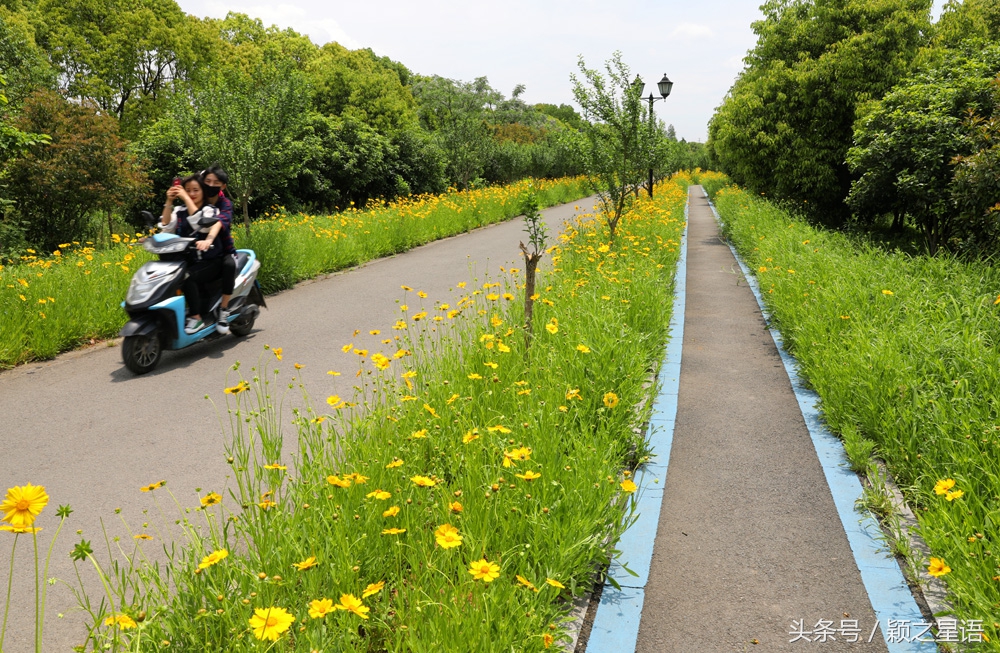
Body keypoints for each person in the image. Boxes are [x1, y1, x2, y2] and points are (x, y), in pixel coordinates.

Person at [160, 175, 227, 334]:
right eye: (187, 190)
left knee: (186, 277)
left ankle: (196, 318)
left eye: (196, 190)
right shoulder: (179, 211)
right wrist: (169, 201)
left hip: (210, 261)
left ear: (203, 191)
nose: (191, 194)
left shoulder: (210, 210)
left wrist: (185, 197)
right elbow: (166, 226)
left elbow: (201, 225)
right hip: (188, 260)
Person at [199, 165, 238, 334]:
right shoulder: (199, 200)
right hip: (201, 252)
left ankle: (223, 309)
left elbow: (220, 222)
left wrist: (209, 239)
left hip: (224, 252)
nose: (210, 185)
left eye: (216, 182)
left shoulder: (226, 203)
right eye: (207, 181)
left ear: (223, 186)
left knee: (229, 265)